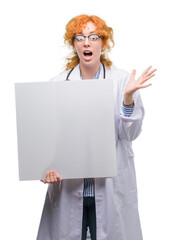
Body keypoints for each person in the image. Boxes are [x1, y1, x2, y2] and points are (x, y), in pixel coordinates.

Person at [37, 14, 156, 240]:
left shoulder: (122, 81)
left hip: (110, 188)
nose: (87, 42)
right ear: (73, 44)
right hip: (69, 189)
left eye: (93, 36)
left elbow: (130, 133)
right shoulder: (57, 84)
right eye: (80, 37)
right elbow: (48, 140)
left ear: (104, 42)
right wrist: (44, 167)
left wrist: (128, 98)